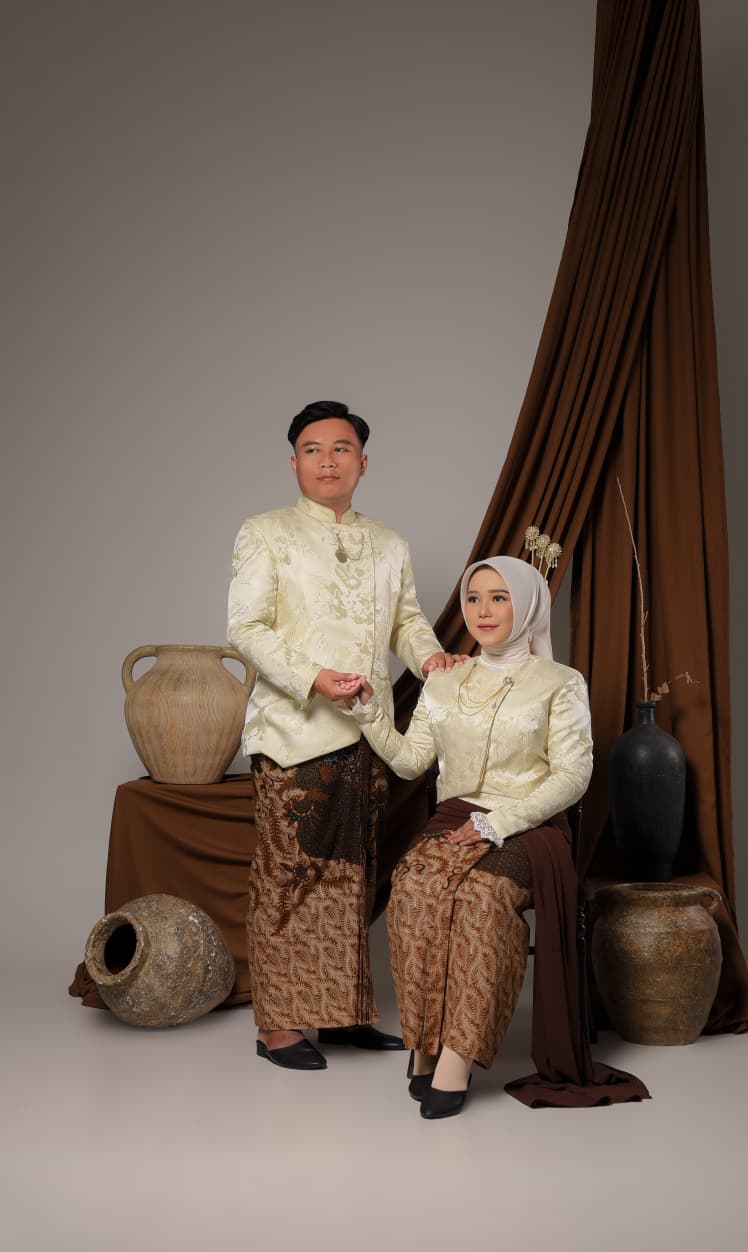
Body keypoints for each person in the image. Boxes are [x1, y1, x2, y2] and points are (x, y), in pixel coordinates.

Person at [341, 556, 649, 1116]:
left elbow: (573, 776)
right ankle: (423, 1046)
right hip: (453, 821)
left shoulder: (560, 682)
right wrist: (368, 712)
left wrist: (497, 822)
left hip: (530, 829)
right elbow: (410, 761)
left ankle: (457, 1058)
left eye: (499, 598)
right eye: (474, 598)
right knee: (411, 886)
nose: (482, 611)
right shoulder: (444, 679)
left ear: (526, 606)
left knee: (480, 899)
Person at [227, 400, 461, 1072]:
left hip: (370, 731)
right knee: (289, 876)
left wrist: (433, 660)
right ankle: (279, 1026)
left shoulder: (389, 543)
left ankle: (342, 1012)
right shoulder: (266, 532)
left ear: (363, 461)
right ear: (293, 463)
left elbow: (407, 624)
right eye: (313, 449)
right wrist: (313, 677)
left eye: (340, 448)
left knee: (354, 875)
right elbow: (245, 628)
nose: (327, 461)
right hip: (294, 730)